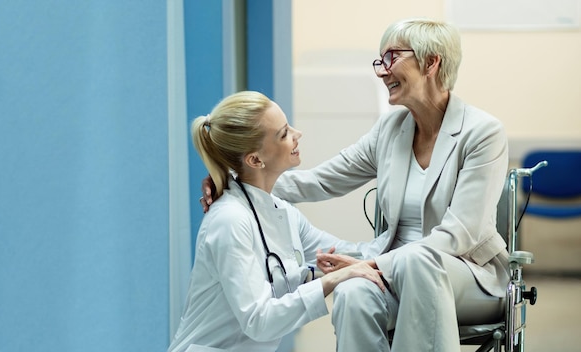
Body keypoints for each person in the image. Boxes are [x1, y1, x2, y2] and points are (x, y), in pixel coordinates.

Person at [200, 18, 510, 351]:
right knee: (351, 292)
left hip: (468, 275)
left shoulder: (482, 133)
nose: (381, 71)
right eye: (380, 61)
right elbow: (322, 180)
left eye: (391, 58)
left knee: (415, 264)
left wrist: (376, 264)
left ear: (431, 62)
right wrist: (238, 181)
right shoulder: (391, 129)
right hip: (392, 270)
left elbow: (459, 235)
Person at [168, 91, 383, 352]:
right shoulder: (230, 221)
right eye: (283, 134)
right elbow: (259, 320)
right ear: (255, 160)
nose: (297, 134)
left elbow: (347, 254)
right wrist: (330, 281)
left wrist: (415, 251)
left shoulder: (283, 213)